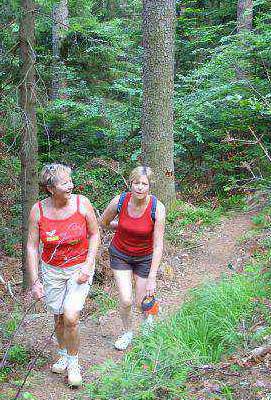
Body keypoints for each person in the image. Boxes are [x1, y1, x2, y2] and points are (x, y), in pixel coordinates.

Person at [25, 163, 100, 387]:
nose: (71, 186)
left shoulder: (82, 203)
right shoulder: (38, 210)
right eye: (64, 183)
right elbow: (31, 246)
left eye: (70, 181)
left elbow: (95, 234)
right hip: (52, 269)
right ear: (50, 188)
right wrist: (35, 280)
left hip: (79, 267)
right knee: (57, 316)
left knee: (71, 317)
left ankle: (75, 364)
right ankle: (63, 354)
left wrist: (88, 265)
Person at [98, 166, 166, 351]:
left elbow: (158, 245)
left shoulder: (157, 208)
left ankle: (147, 318)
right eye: (137, 183)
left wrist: (152, 277)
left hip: (145, 257)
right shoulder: (120, 201)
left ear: (150, 186)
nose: (140, 187)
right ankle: (127, 332)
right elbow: (103, 223)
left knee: (140, 302)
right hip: (121, 255)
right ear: (131, 184)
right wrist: (120, 227)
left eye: (144, 184)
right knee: (126, 300)